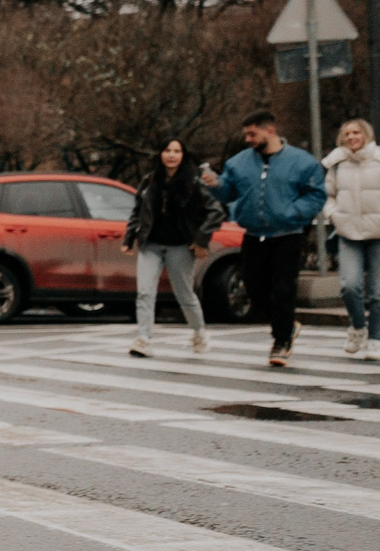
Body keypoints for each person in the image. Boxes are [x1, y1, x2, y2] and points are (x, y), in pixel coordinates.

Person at [206, 108, 325, 368]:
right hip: (253, 234)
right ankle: (287, 325)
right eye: (246, 134)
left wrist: (292, 213)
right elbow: (228, 192)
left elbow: (316, 195)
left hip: (287, 234)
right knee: (253, 288)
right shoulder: (238, 163)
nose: (247, 139)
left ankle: (281, 341)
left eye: (252, 134)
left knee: (283, 289)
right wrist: (215, 185)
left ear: (270, 130)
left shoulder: (302, 162)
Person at [322, 118, 380, 362]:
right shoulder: (336, 164)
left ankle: (376, 340)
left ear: (367, 135)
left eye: (356, 133)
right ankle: (357, 327)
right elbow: (327, 195)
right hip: (348, 234)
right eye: (347, 134)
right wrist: (334, 215)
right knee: (349, 286)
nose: (351, 137)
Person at [122, 138, 224, 357]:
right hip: (151, 245)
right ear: (160, 154)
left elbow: (216, 212)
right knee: (144, 292)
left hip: (180, 246)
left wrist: (201, 239)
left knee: (184, 295)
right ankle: (143, 339)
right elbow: (138, 211)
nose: (171, 155)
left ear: (183, 156)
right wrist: (129, 237)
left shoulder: (193, 183)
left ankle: (199, 332)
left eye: (177, 151)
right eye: (167, 150)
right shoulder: (150, 180)